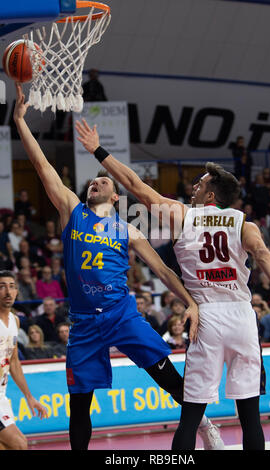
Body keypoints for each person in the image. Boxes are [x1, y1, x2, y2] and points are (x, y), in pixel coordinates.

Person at [13, 84, 221, 451]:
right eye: (93, 181)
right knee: (80, 404)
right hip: (83, 322)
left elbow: (163, 272)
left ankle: (203, 424)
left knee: (166, 374)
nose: (96, 182)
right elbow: (41, 165)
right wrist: (19, 121)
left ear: (115, 197)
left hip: (121, 314)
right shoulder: (71, 211)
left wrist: (190, 301)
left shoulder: (127, 229)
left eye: (103, 181)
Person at [74, 118, 270, 450]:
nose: (194, 186)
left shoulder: (183, 215)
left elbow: (134, 184)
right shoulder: (243, 223)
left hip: (205, 318)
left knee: (190, 416)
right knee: (250, 414)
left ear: (211, 193)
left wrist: (98, 151)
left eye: (200, 183)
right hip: (241, 316)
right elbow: (262, 253)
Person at [0, 270, 47, 450]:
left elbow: (13, 363)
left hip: (2, 396)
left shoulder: (15, 321)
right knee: (19, 444)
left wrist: (29, 397)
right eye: (2, 287)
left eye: (12, 287)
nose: (7, 291)